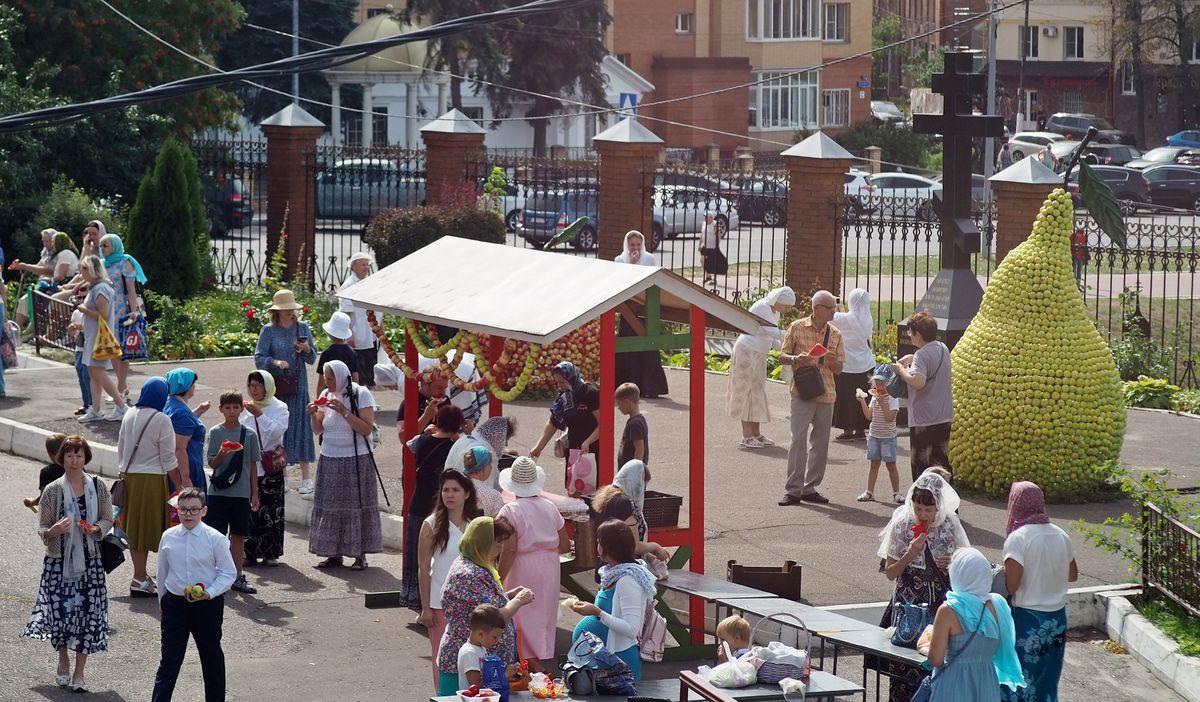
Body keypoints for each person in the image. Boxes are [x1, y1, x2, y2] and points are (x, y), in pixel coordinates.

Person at [23, 436, 112, 694]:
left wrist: (95, 529)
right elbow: (43, 529)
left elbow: (108, 519)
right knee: (59, 614)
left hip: (91, 562)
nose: (74, 460)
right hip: (58, 561)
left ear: (86, 458)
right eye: (69, 455)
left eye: (79, 455)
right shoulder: (53, 489)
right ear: (62, 458)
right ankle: (63, 659)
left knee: (88, 615)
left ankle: (79, 671)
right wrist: (54, 530)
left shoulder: (98, 485)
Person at [873, 472, 970, 702]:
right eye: (918, 508)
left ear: (939, 506)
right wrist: (911, 553)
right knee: (904, 665)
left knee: (935, 662)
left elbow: (969, 567)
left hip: (941, 607)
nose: (922, 515)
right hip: (909, 608)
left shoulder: (950, 525)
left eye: (928, 510)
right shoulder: (902, 523)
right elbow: (890, 572)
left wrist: (953, 561)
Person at [151, 487, 238, 702]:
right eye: (183, 509)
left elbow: (229, 573)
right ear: (177, 510)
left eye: (193, 509)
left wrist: (209, 593)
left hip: (207, 606)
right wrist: (163, 603)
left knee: (212, 659)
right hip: (175, 604)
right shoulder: (168, 536)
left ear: (204, 511)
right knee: (169, 661)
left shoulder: (215, 538)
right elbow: (162, 573)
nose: (188, 514)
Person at [435, 516, 535, 696]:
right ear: (482, 543)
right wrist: (518, 600)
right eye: (497, 543)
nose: (500, 548)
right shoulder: (468, 574)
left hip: (483, 660)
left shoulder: (475, 564)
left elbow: (485, 604)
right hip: (469, 664)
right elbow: (491, 617)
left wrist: (508, 595)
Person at [1002, 482, 1078, 702]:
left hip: (1029, 619)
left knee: (1021, 680)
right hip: (1058, 618)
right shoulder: (1061, 535)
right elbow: (1072, 575)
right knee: (1048, 679)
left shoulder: (1018, 538)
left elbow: (1012, 586)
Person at [919, 548, 1026, 702]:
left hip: (953, 684)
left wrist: (927, 646)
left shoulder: (948, 610)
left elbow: (936, 659)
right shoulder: (997, 605)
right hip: (987, 683)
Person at [497, 456, 570, 672]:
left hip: (522, 563)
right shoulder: (549, 506)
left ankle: (529, 662)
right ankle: (540, 657)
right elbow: (565, 544)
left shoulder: (510, 510)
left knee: (520, 612)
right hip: (549, 563)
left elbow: (509, 549)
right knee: (544, 611)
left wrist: (498, 578)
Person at [307, 359, 381, 571]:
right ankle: (333, 554)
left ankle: (359, 554)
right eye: (325, 378)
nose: (327, 382)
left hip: (356, 458)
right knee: (331, 506)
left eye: (331, 378)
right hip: (330, 457)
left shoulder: (360, 394)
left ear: (341, 377)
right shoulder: (326, 395)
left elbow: (366, 428)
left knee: (356, 506)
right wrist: (313, 414)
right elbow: (318, 430)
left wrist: (344, 412)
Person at [119, 378, 185, 598]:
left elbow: (121, 447)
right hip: (151, 480)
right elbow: (168, 458)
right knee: (147, 529)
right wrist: (179, 485)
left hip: (129, 477)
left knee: (136, 530)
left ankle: (140, 575)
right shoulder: (162, 419)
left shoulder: (129, 413)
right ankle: (139, 578)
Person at [778, 290, 844, 505]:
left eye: (834, 307)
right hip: (802, 391)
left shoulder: (835, 333)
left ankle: (810, 487)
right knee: (798, 439)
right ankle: (793, 489)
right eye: (830, 307)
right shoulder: (797, 327)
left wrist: (832, 361)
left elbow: (839, 369)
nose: (834, 311)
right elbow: (781, 356)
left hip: (827, 392)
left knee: (820, 443)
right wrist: (796, 359)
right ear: (817, 309)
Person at [569, 519, 656, 681]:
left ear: (607, 548)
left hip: (618, 663)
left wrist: (597, 612)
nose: (597, 546)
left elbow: (632, 629)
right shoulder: (612, 574)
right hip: (601, 661)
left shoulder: (628, 580)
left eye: (599, 542)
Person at [419, 471, 484, 686]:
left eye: (455, 490)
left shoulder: (474, 524)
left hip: (472, 604)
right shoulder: (431, 524)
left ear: (467, 494)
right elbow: (423, 568)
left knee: (471, 656)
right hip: (440, 605)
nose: (450, 494)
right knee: (442, 658)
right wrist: (426, 607)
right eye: (445, 490)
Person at [399, 403, 465, 605]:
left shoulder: (422, 441)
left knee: (418, 556)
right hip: (440, 508)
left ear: (438, 421)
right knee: (439, 556)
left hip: (418, 502)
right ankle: (434, 601)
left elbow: (409, 443)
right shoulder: (455, 447)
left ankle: (414, 598)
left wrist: (430, 429)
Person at [255, 289, 317, 497]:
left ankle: (307, 478)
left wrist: (306, 349)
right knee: (279, 429)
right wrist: (275, 362)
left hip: (298, 385)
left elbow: (312, 358)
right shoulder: (268, 330)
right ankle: (284, 476)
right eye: (285, 309)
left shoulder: (302, 327)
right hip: (277, 386)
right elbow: (259, 358)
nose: (290, 311)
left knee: (302, 427)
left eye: (292, 308)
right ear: (277, 311)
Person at [204, 389, 261, 595]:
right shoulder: (215, 432)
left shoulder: (250, 434)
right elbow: (212, 463)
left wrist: (254, 494)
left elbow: (253, 466)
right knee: (216, 536)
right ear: (221, 409)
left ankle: (237, 575)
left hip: (241, 493)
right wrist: (222, 453)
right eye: (227, 407)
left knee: (238, 535)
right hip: (218, 492)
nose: (231, 411)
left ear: (241, 409)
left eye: (235, 407)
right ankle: (214, 574)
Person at [727, 286, 796, 449]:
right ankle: (747, 436)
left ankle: (756, 434)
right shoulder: (762, 307)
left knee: (757, 392)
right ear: (778, 301)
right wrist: (794, 333)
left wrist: (785, 350)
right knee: (746, 391)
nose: (786, 310)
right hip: (746, 351)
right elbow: (773, 332)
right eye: (786, 306)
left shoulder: (774, 311)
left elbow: (771, 337)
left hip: (759, 353)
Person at [892, 310, 953, 481]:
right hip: (943, 415)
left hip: (924, 418)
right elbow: (931, 363)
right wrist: (913, 358)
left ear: (918, 334)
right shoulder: (943, 348)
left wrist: (901, 370)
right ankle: (945, 497)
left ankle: (923, 496)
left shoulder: (921, 355)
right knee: (941, 463)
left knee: (922, 465)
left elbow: (918, 382)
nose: (910, 335)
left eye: (911, 332)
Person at [241, 370, 290, 567]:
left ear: (267, 387)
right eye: (251, 385)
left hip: (271, 464)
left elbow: (277, 432)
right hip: (250, 464)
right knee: (250, 510)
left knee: (272, 508)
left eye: (258, 385)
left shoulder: (279, 407)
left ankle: (271, 553)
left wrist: (259, 415)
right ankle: (250, 552)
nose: (254, 390)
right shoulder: (245, 407)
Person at [613, 230, 669, 398]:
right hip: (628, 308)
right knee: (628, 345)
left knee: (648, 344)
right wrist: (631, 263)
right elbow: (620, 281)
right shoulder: (620, 260)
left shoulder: (649, 258)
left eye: (638, 244)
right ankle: (626, 387)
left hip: (646, 308)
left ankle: (650, 387)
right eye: (632, 245)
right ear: (627, 245)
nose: (635, 248)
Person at [529, 361, 601, 488]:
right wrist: (538, 448)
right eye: (557, 382)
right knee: (573, 489)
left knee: (593, 490)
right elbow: (553, 422)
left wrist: (588, 442)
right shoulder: (563, 397)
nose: (560, 386)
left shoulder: (590, 394)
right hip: (574, 450)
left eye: (562, 382)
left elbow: (603, 425)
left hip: (593, 449)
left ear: (572, 378)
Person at [75, 255, 126, 423]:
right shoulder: (97, 287)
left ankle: (121, 406)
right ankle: (96, 409)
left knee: (98, 372)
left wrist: (83, 309)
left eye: (83, 269)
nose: (81, 273)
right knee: (93, 373)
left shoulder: (100, 288)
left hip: (99, 337)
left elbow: (102, 315)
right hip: (94, 337)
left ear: (91, 270)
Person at [99, 233, 147, 403]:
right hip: (107, 308)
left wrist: (133, 311)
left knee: (123, 349)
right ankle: (122, 385)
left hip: (121, 309)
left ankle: (120, 386)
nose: (102, 249)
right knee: (112, 348)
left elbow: (131, 289)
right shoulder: (102, 263)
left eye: (105, 245)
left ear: (115, 246)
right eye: (101, 246)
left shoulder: (125, 261)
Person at [12, 230, 79, 331]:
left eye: (49, 241)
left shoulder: (62, 254)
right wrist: (26, 267)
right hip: (45, 284)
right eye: (44, 241)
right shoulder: (47, 254)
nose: (46, 244)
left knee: (31, 300)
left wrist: (25, 266)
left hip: (53, 285)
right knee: (25, 301)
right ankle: (19, 329)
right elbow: (38, 266)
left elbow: (50, 271)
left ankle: (28, 329)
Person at [832, 288, 874, 441]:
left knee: (846, 398)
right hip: (866, 364)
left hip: (848, 364)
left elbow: (830, 319)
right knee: (863, 397)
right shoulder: (867, 319)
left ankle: (848, 430)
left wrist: (839, 310)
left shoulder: (842, 318)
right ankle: (861, 429)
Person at [856, 371, 904, 504]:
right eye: (877, 384)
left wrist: (882, 402)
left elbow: (889, 418)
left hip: (888, 438)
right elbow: (869, 416)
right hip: (874, 436)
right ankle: (869, 492)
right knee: (874, 465)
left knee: (891, 465)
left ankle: (896, 493)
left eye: (882, 383)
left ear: (890, 383)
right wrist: (862, 401)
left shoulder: (893, 399)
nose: (879, 387)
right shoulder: (874, 397)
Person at [164, 368, 211, 491]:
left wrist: (197, 412)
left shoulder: (169, 403)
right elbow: (179, 448)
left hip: (171, 468)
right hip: (188, 468)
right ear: (188, 387)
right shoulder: (183, 413)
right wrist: (185, 479)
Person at [338, 251, 380, 388]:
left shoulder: (369, 283)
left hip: (371, 334)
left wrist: (381, 329)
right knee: (359, 372)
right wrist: (349, 335)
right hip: (357, 336)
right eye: (363, 264)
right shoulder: (349, 286)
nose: (366, 267)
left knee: (370, 371)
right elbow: (346, 313)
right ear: (353, 266)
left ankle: (368, 394)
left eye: (367, 264)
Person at [445, 415, 517, 489]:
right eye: (505, 439)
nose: (506, 444)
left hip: (448, 488)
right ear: (498, 436)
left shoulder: (465, 438)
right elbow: (488, 488)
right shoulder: (486, 452)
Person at [457, 605, 512, 691]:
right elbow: (476, 688)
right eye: (495, 637)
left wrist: (509, 676)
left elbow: (487, 678)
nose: (498, 640)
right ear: (480, 634)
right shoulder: (469, 653)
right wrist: (504, 675)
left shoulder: (481, 649)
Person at [315, 310, 359, 394]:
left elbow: (321, 383)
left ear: (330, 333)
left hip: (330, 394)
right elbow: (355, 378)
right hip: (347, 394)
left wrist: (319, 399)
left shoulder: (326, 354)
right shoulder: (352, 353)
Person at [22, 433, 68, 513]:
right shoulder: (77, 467)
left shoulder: (47, 472)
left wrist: (31, 502)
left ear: (49, 453)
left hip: (57, 515)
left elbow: (44, 498)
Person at [462, 446, 507, 517]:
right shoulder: (494, 496)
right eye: (490, 464)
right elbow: (498, 521)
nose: (491, 467)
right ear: (484, 467)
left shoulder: (456, 487)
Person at [616, 382, 649, 466]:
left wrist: (635, 469)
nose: (618, 407)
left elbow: (639, 449)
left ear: (627, 402)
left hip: (631, 471)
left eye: (619, 404)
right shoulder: (637, 420)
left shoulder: (635, 424)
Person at [699, 212, 723, 291]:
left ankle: (714, 278)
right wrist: (700, 244)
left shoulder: (715, 224)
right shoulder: (704, 224)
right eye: (704, 217)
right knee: (702, 260)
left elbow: (718, 235)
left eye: (706, 217)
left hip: (712, 246)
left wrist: (717, 245)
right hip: (705, 245)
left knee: (712, 262)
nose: (705, 218)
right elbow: (702, 234)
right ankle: (708, 276)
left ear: (711, 217)